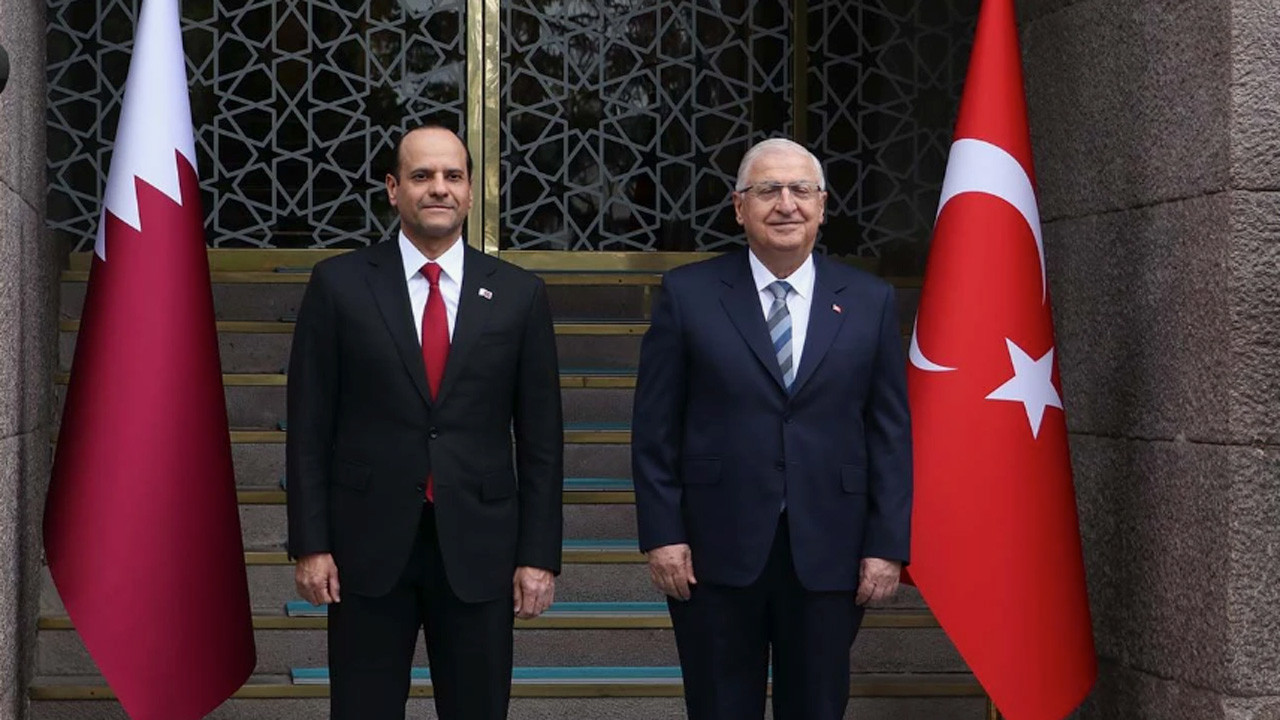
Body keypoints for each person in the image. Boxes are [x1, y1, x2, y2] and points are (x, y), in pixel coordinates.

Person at [285, 125, 564, 720]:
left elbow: (542, 442)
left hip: (480, 548)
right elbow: (308, 427)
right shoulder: (338, 284)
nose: (439, 188)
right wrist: (311, 544)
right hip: (365, 547)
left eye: (452, 176)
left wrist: (539, 555)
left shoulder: (519, 294)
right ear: (393, 189)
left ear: (471, 191)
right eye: (421, 175)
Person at [631, 137, 913, 719]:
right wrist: (662, 535)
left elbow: (889, 433)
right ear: (740, 207)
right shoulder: (688, 294)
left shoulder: (870, 300)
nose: (786, 204)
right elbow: (655, 430)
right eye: (768, 190)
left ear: (822, 205)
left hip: (831, 551)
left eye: (801, 190)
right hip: (712, 550)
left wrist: (887, 545)